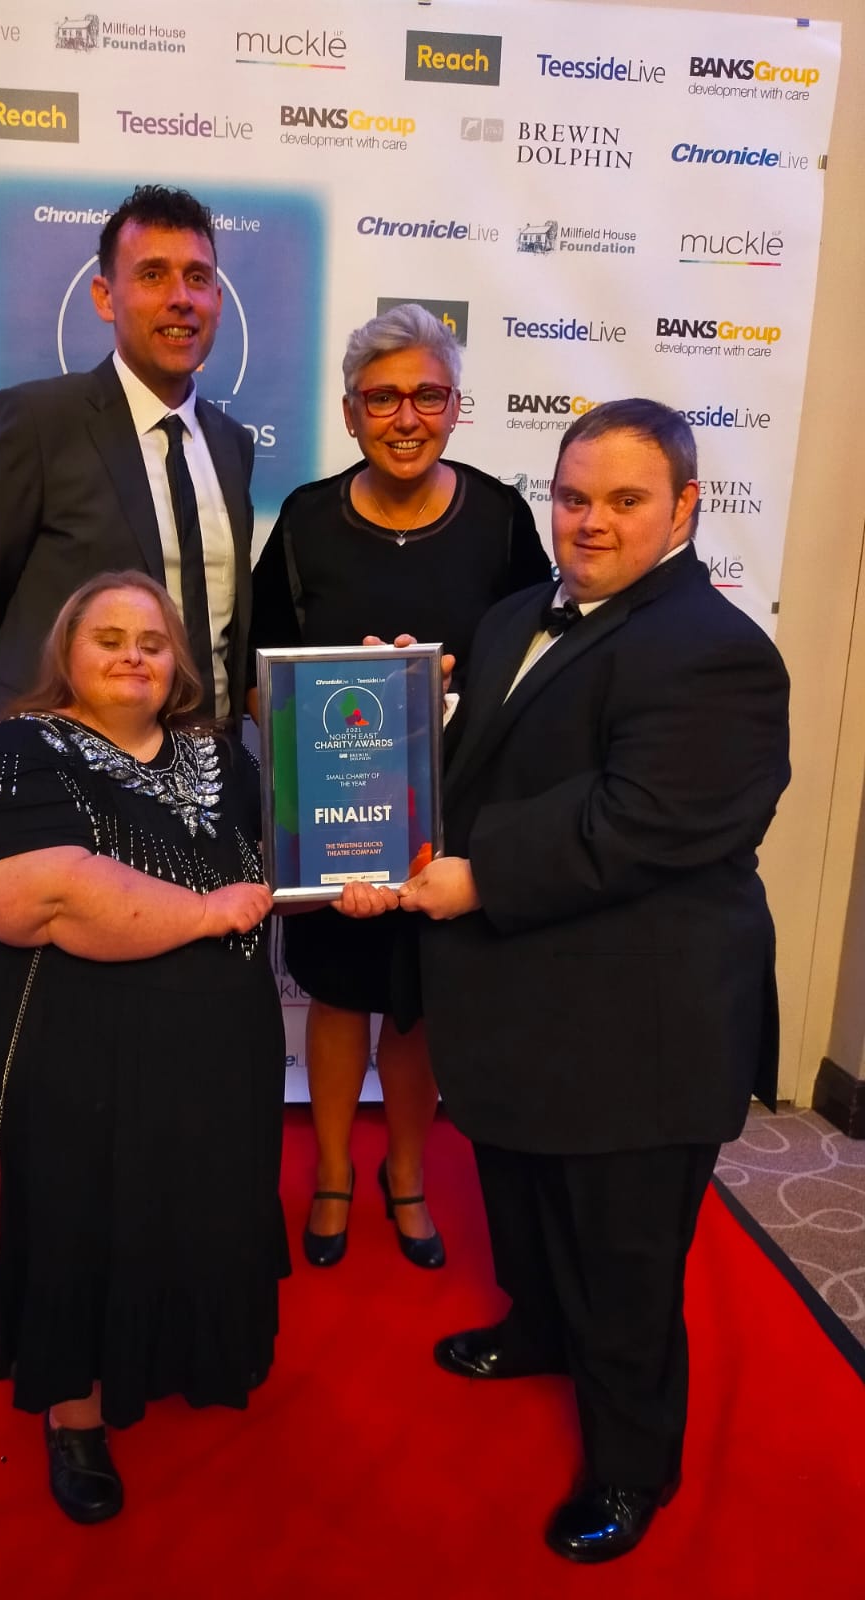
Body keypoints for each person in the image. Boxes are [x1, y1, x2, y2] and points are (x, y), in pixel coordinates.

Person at [342, 398, 790, 1561]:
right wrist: (397, 717)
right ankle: (537, 1329)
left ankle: (631, 1468)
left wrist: (478, 878)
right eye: (574, 496)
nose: (590, 521)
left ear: (685, 507)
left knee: (624, 1262)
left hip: (641, 1025)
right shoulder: (511, 618)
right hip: (521, 1001)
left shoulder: (718, 651)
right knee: (526, 1200)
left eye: (625, 500)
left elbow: (638, 822)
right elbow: (479, 767)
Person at [0, 572, 287, 1525]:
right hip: (74, 1066)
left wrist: (370, 816)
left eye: (152, 643)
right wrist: (205, 912)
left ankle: (165, 1348)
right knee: (81, 1219)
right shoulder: (17, 749)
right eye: (108, 639)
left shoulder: (223, 757)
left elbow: (300, 852)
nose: (132, 656)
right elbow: (37, 899)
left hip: (215, 1059)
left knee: (187, 1207)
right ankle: (73, 1414)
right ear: (66, 653)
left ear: (179, 662)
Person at [248, 302, 550, 1270]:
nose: (406, 416)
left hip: (451, 818)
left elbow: (538, 661)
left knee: (419, 1003)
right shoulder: (305, 521)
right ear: (350, 414)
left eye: (428, 395)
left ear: (457, 407)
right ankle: (336, 1172)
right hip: (335, 818)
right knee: (341, 997)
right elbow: (258, 677)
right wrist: (334, 708)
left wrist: (449, 690)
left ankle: (407, 1173)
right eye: (382, 398)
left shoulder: (502, 519)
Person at [0, 184, 255, 765]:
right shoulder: (36, 422)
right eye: (152, 275)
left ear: (218, 301)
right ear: (105, 297)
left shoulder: (231, 445)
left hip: (203, 774)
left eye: (197, 278)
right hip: (60, 775)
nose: (180, 298)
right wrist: (25, 729)